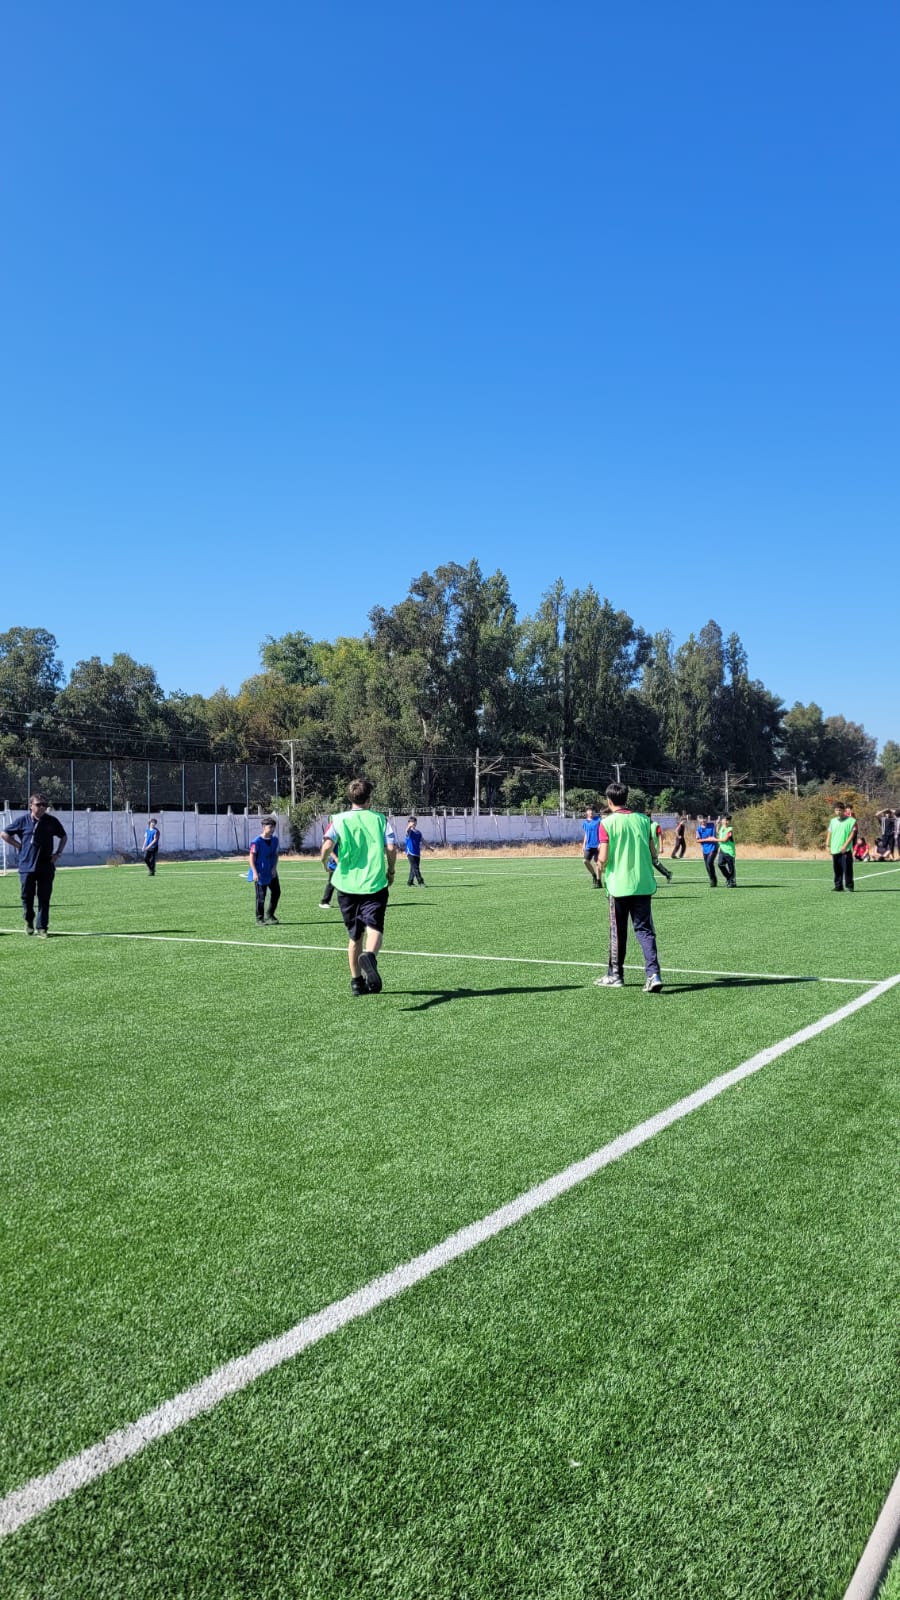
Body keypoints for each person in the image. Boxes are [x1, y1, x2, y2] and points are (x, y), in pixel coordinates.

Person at [322, 777, 397, 996]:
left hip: (346, 885)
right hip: (374, 883)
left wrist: (325, 863)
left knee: (354, 936)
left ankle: (356, 983)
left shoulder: (338, 819)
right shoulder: (380, 819)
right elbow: (391, 848)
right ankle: (370, 957)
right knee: (375, 928)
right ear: (369, 798)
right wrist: (390, 871)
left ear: (350, 797)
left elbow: (327, 845)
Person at [592, 781, 663, 993]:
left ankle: (615, 975)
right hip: (642, 883)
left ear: (609, 800)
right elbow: (653, 853)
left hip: (618, 886)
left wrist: (599, 869)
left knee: (618, 931)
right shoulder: (643, 820)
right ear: (626, 799)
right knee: (645, 930)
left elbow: (603, 857)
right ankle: (653, 974)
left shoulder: (607, 823)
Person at [1, 792, 68, 937]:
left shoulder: (51, 821)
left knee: (44, 897)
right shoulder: (22, 821)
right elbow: (4, 834)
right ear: (31, 806)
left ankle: (42, 927)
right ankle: (28, 920)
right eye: (39, 805)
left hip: (46, 866)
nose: (42, 807)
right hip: (26, 866)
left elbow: (64, 836)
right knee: (27, 896)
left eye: (44, 805)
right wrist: (19, 846)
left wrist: (58, 853)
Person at [249, 815, 281, 924]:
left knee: (277, 892)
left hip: (271, 872)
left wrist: (274, 868)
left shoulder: (275, 840)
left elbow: (276, 855)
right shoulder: (256, 842)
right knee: (261, 897)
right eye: (270, 827)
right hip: (260, 873)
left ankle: (270, 914)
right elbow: (251, 858)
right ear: (263, 827)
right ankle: (259, 918)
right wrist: (254, 872)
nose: (272, 829)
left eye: (273, 827)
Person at [825, 802, 857, 892]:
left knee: (847, 868)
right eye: (836, 810)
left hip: (845, 850)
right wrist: (827, 845)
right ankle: (838, 886)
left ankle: (849, 886)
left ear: (843, 810)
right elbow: (829, 833)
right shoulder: (833, 821)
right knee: (837, 869)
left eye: (840, 810)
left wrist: (845, 845)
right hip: (835, 848)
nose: (838, 812)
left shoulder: (851, 820)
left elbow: (852, 834)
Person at [581, 806, 603, 888]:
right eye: (589, 811)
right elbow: (586, 834)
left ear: (594, 812)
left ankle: (599, 881)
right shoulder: (585, 823)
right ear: (586, 812)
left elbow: (602, 832)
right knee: (585, 861)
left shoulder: (599, 820)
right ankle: (593, 875)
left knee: (598, 863)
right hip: (588, 846)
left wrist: (601, 843)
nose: (590, 812)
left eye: (592, 811)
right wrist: (584, 844)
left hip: (597, 845)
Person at [696, 815, 719, 887]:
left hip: (713, 847)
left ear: (707, 819)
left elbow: (715, 835)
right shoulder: (698, 829)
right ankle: (712, 879)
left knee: (709, 862)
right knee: (707, 865)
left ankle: (713, 879)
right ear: (699, 820)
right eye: (701, 820)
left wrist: (718, 823)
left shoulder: (712, 825)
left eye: (704, 819)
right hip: (705, 849)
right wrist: (707, 839)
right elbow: (698, 840)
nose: (703, 821)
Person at [319, 819, 337, 908]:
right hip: (335, 862)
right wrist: (336, 858)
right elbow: (328, 848)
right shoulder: (333, 829)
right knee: (332, 881)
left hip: (341, 860)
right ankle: (324, 901)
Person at [404, 817, 427, 886]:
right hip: (410, 852)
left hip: (417, 852)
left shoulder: (418, 832)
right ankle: (421, 882)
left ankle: (410, 882)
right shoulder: (409, 831)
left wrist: (429, 847)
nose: (414, 823)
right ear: (409, 823)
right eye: (412, 822)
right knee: (416, 868)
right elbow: (407, 831)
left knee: (413, 868)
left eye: (414, 821)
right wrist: (409, 825)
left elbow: (423, 840)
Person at [716, 813, 737, 887]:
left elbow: (725, 840)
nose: (722, 820)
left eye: (728, 820)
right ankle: (729, 878)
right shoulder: (722, 828)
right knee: (720, 864)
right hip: (722, 850)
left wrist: (715, 840)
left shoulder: (730, 829)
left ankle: (732, 882)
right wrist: (717, 825)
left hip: (729, 851)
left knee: (731, 868)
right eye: (724, 819)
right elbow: (718, 833)